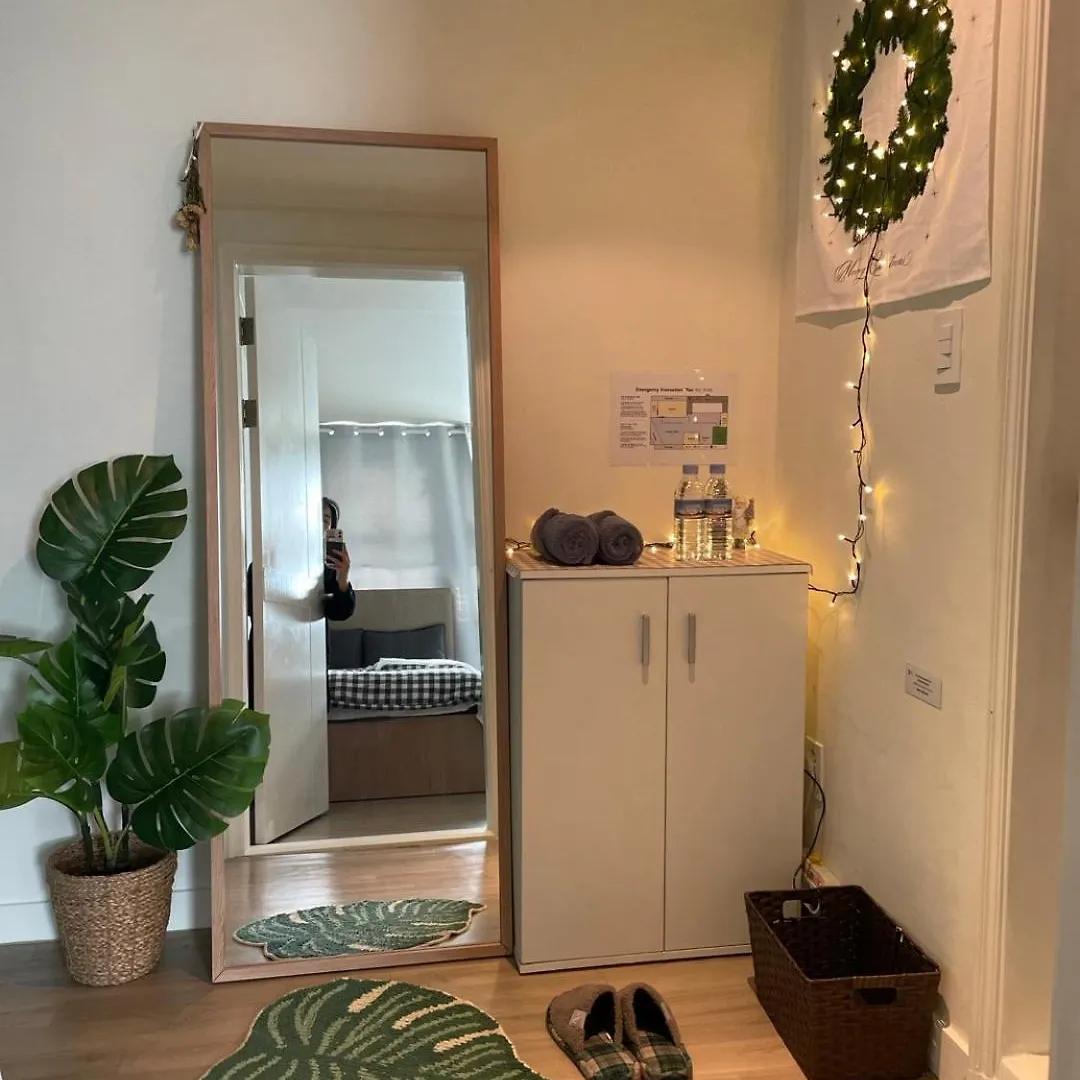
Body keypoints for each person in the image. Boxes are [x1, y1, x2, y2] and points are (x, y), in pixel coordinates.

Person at [322, 496, 356, 621]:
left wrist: (342, 579)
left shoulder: (329, 566)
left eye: (325, 520)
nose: (318, 524)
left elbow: (339, 613)